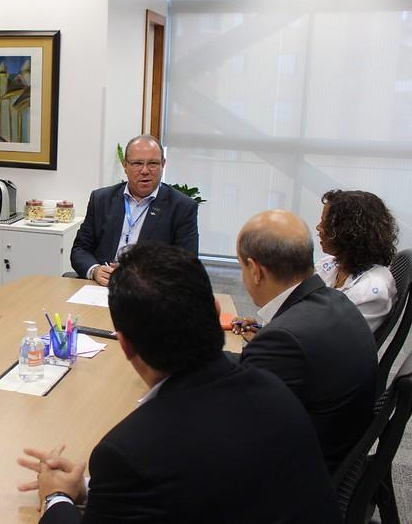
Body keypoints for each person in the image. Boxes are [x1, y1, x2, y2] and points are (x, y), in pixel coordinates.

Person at [18, 243, 341, 523]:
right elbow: (201, 484)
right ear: (215, 311)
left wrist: (56, 497)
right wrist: (91, 488)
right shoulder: (274, 388)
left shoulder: (129, 452)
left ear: (125, 344)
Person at [233, 209, 377, 473]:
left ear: (255, 270)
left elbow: (235, 426)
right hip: (332, 450)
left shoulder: (283, 340)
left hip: (294, 478)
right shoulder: (335, 302)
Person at [70, 134, 199, 286]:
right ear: (125, 166)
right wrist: (95, 270)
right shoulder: (101, 199)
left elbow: (187, 265)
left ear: (163, 165)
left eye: (153, 163)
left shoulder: (181, 207)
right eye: (137, 163)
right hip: (101, 287)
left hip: (149, 291)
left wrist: (138, 275)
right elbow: (80, 249)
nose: (145, 170)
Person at [315, 189, 398, 332]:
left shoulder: (372, 289)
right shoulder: (330, 264)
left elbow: (326, 336)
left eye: (325, 222)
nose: (318, 227)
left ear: (348, 232)